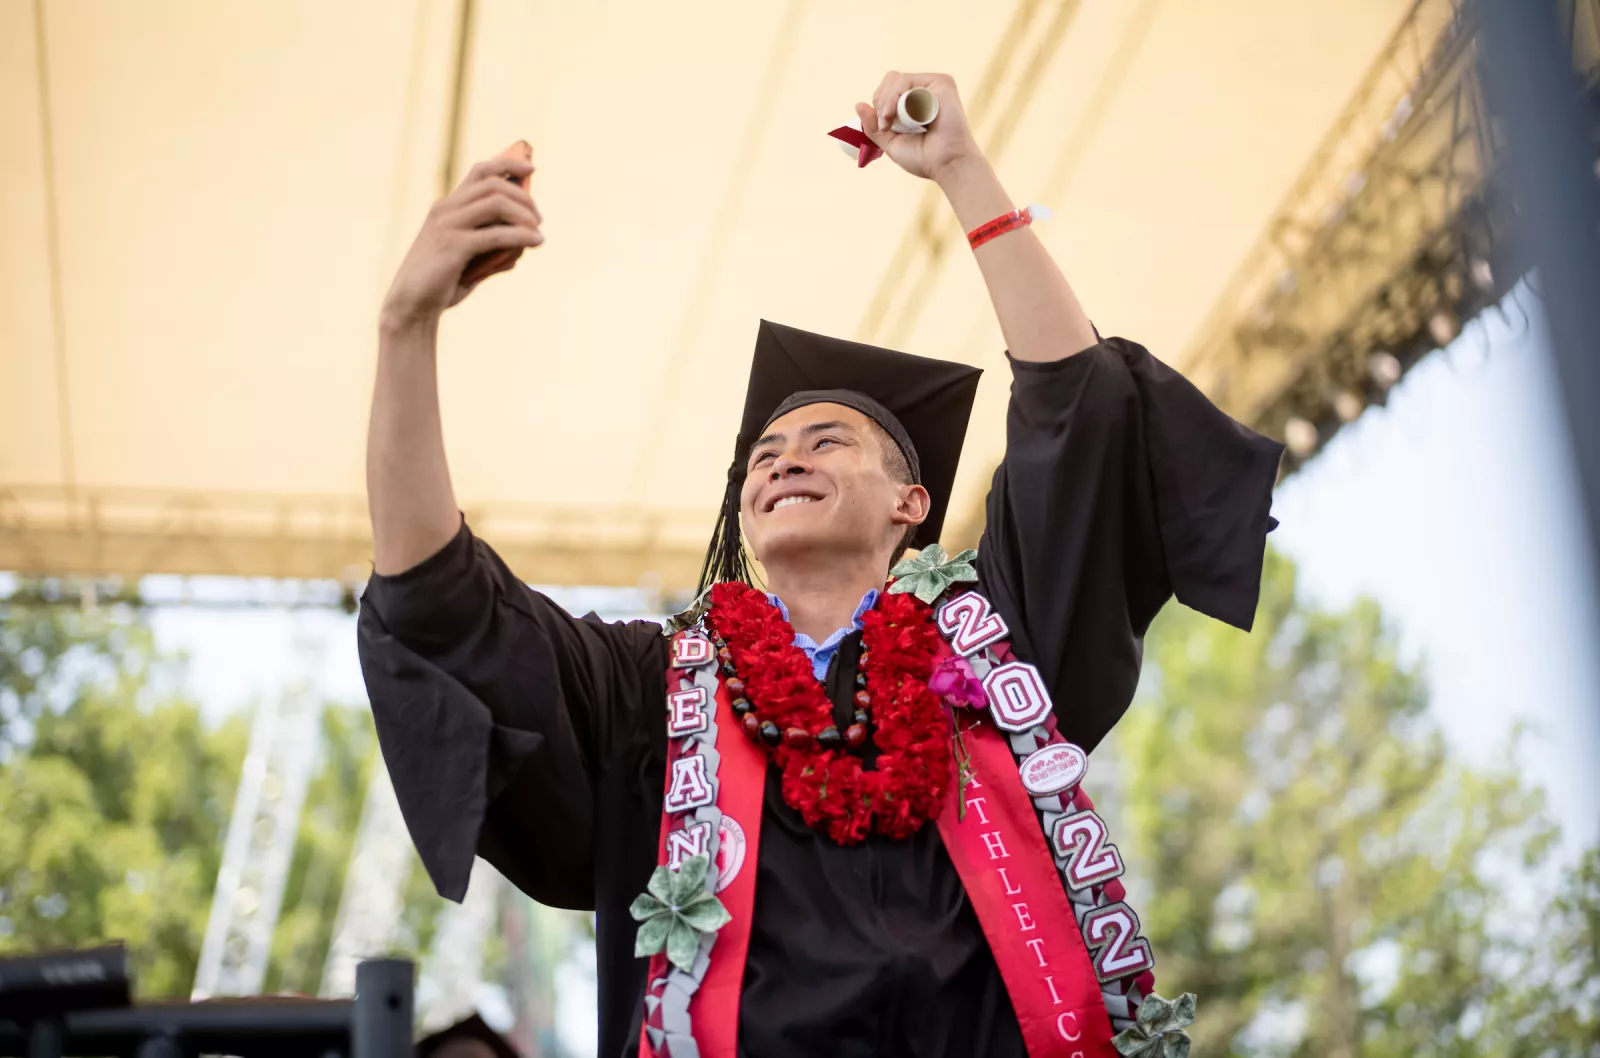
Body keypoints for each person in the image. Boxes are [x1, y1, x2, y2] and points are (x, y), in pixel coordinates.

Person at [359, 71, 1282, 1058]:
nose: (782, 457)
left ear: (909, 502)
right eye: (763, 454)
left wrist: (964, 172)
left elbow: (1080, 415)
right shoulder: (650, 694)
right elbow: (443, 601)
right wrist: (404, 328)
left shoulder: (992, 652)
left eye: (827, 439)